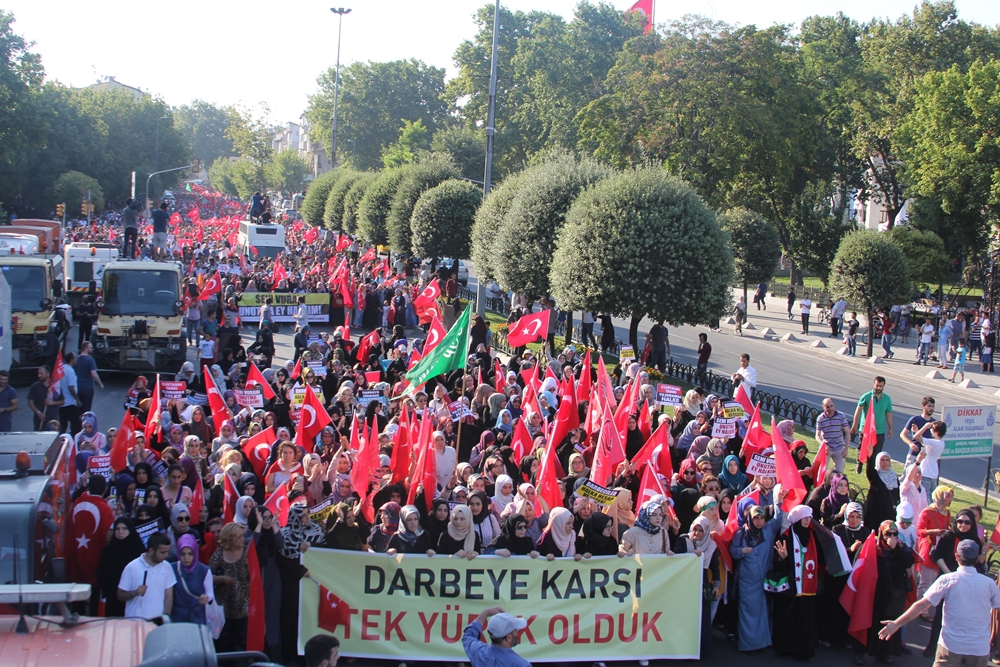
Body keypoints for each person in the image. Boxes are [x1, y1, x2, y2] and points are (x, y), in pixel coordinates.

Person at [879, 539, 1000, 667]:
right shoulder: (989, 584)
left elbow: (921, 605)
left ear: (956, 556)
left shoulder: (947, 580)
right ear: (977, 559)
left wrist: (896, 624)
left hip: (950, 646)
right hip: (979, 648)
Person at [96, 517, 147, 618]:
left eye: (124, 529)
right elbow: (101, 573)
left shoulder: (138, 550)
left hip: (134, 596)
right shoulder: (108, 550)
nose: (120, 532)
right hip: (113, 597)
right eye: (117, 529)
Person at [117, 532, 175, 620]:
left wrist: (166, 618)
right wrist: (135, 592)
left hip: (157, 624)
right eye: (162, 552)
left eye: (167, 552)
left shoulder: (167, 567)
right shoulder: (132, 567)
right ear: (151, 550)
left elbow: (168, 596)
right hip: (134, 622)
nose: (166, 555)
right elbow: (120, 595)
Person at [462, 606, 531, 667]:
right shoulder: (521, 664)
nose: (518, 631)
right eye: (516, 630)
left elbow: (468, 636)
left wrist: (486, 612)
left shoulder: (478, 652)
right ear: (509, 638)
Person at [851, 376, 893, 475]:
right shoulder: (866, 396)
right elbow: (858, 411)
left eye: (881, 386)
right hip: (866, 429)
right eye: (877, 385)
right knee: (862, 448)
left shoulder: (887, 399)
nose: (878, 388)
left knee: (876, 452)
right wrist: (855, 425)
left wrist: (891, 428)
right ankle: (859, 463)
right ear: (874, 384)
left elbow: (889, 414)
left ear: (884, 386)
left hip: (879, 430)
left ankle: (872, 469)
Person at [816, 398, 851, 474]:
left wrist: (846, 449)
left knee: (840, 471)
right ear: (823, 407)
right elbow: (817, 436)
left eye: (831, 406)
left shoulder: (841, 416)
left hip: (839, 447)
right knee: (822, 470)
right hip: (826, 448)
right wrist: (823, 444)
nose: (830, 409)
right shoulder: (820, 418)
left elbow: (847, 433)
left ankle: (836, 484)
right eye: (828, 407)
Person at [75, 342, 103, 413]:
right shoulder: (90, 360)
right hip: (87, 389)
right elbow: (94, 374)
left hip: (77, 388)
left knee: (77, 410)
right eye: (91, 347)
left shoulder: (76, 359)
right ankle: (84, 423)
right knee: (86, 411)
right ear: (86, 348)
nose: (93, 349)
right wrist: (100, 384)